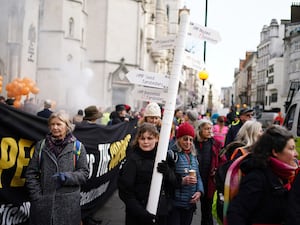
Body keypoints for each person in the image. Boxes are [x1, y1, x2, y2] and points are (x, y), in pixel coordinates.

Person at [25, 111, 89, 225]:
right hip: (43, 206)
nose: (55, 127)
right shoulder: (41, 145)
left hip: (68, 206)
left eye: (59, 124)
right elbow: (31, 173)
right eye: (52, 124)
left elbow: (84, 173)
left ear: (67, 126)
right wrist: (37, 196)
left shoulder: (78, 147)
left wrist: (68, 177)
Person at [226, 125, 299, 225]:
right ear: (275, 152)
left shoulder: (287, 176)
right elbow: (236, 214)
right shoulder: (257, 178)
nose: (296, 154)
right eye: (291, 149)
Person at [118, 123, 179, 225]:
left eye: (150, 138)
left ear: (157, 138)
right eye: (142, 138)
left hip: (161, 213)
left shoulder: (164, 157)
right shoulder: (132, 160)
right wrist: (141, 213)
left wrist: (168, 172)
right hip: (137, 216)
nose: (146, 142)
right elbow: (125, 192)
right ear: (138, 140)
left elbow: (176, 183)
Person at [168, 122, 204, 225]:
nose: (188, 142)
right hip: (175, 205)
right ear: (178, 138)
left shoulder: (194, 156)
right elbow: (167, 178)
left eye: (191, 140)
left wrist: (199, 192)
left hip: (190, 204)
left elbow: (198, 177)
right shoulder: (172, 155)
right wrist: (182, 181)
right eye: (185, 139)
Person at [194, 119, 225, 225]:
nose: (209, 131)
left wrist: (217, 170)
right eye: (206, 129)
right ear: (199, 130)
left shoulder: (215, 143)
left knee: (207, 212)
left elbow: (223, 161)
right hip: (195, 180)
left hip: (209, 181)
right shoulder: (193, 143)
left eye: (210, 129)